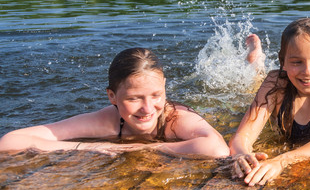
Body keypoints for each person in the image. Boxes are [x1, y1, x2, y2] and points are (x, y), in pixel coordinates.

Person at [0, 48, 230, 157]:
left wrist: (145, 148)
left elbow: (217, 148)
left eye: (156, 95)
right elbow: (10, 141)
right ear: (112, 97)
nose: (148, 108)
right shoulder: (107, 121)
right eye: (133, 98)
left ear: (164, 87)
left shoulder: (174, 119)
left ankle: (254, 65)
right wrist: (96, 147)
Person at [229, 18, 310, 186]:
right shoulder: (276, 82)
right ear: (283, 62)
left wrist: (281, 161)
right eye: (297, 62)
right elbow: (242, 136)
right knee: (254, 88)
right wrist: (241, 154)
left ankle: (257, 62)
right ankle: (256, 62)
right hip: (280, 82)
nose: (308, 71)